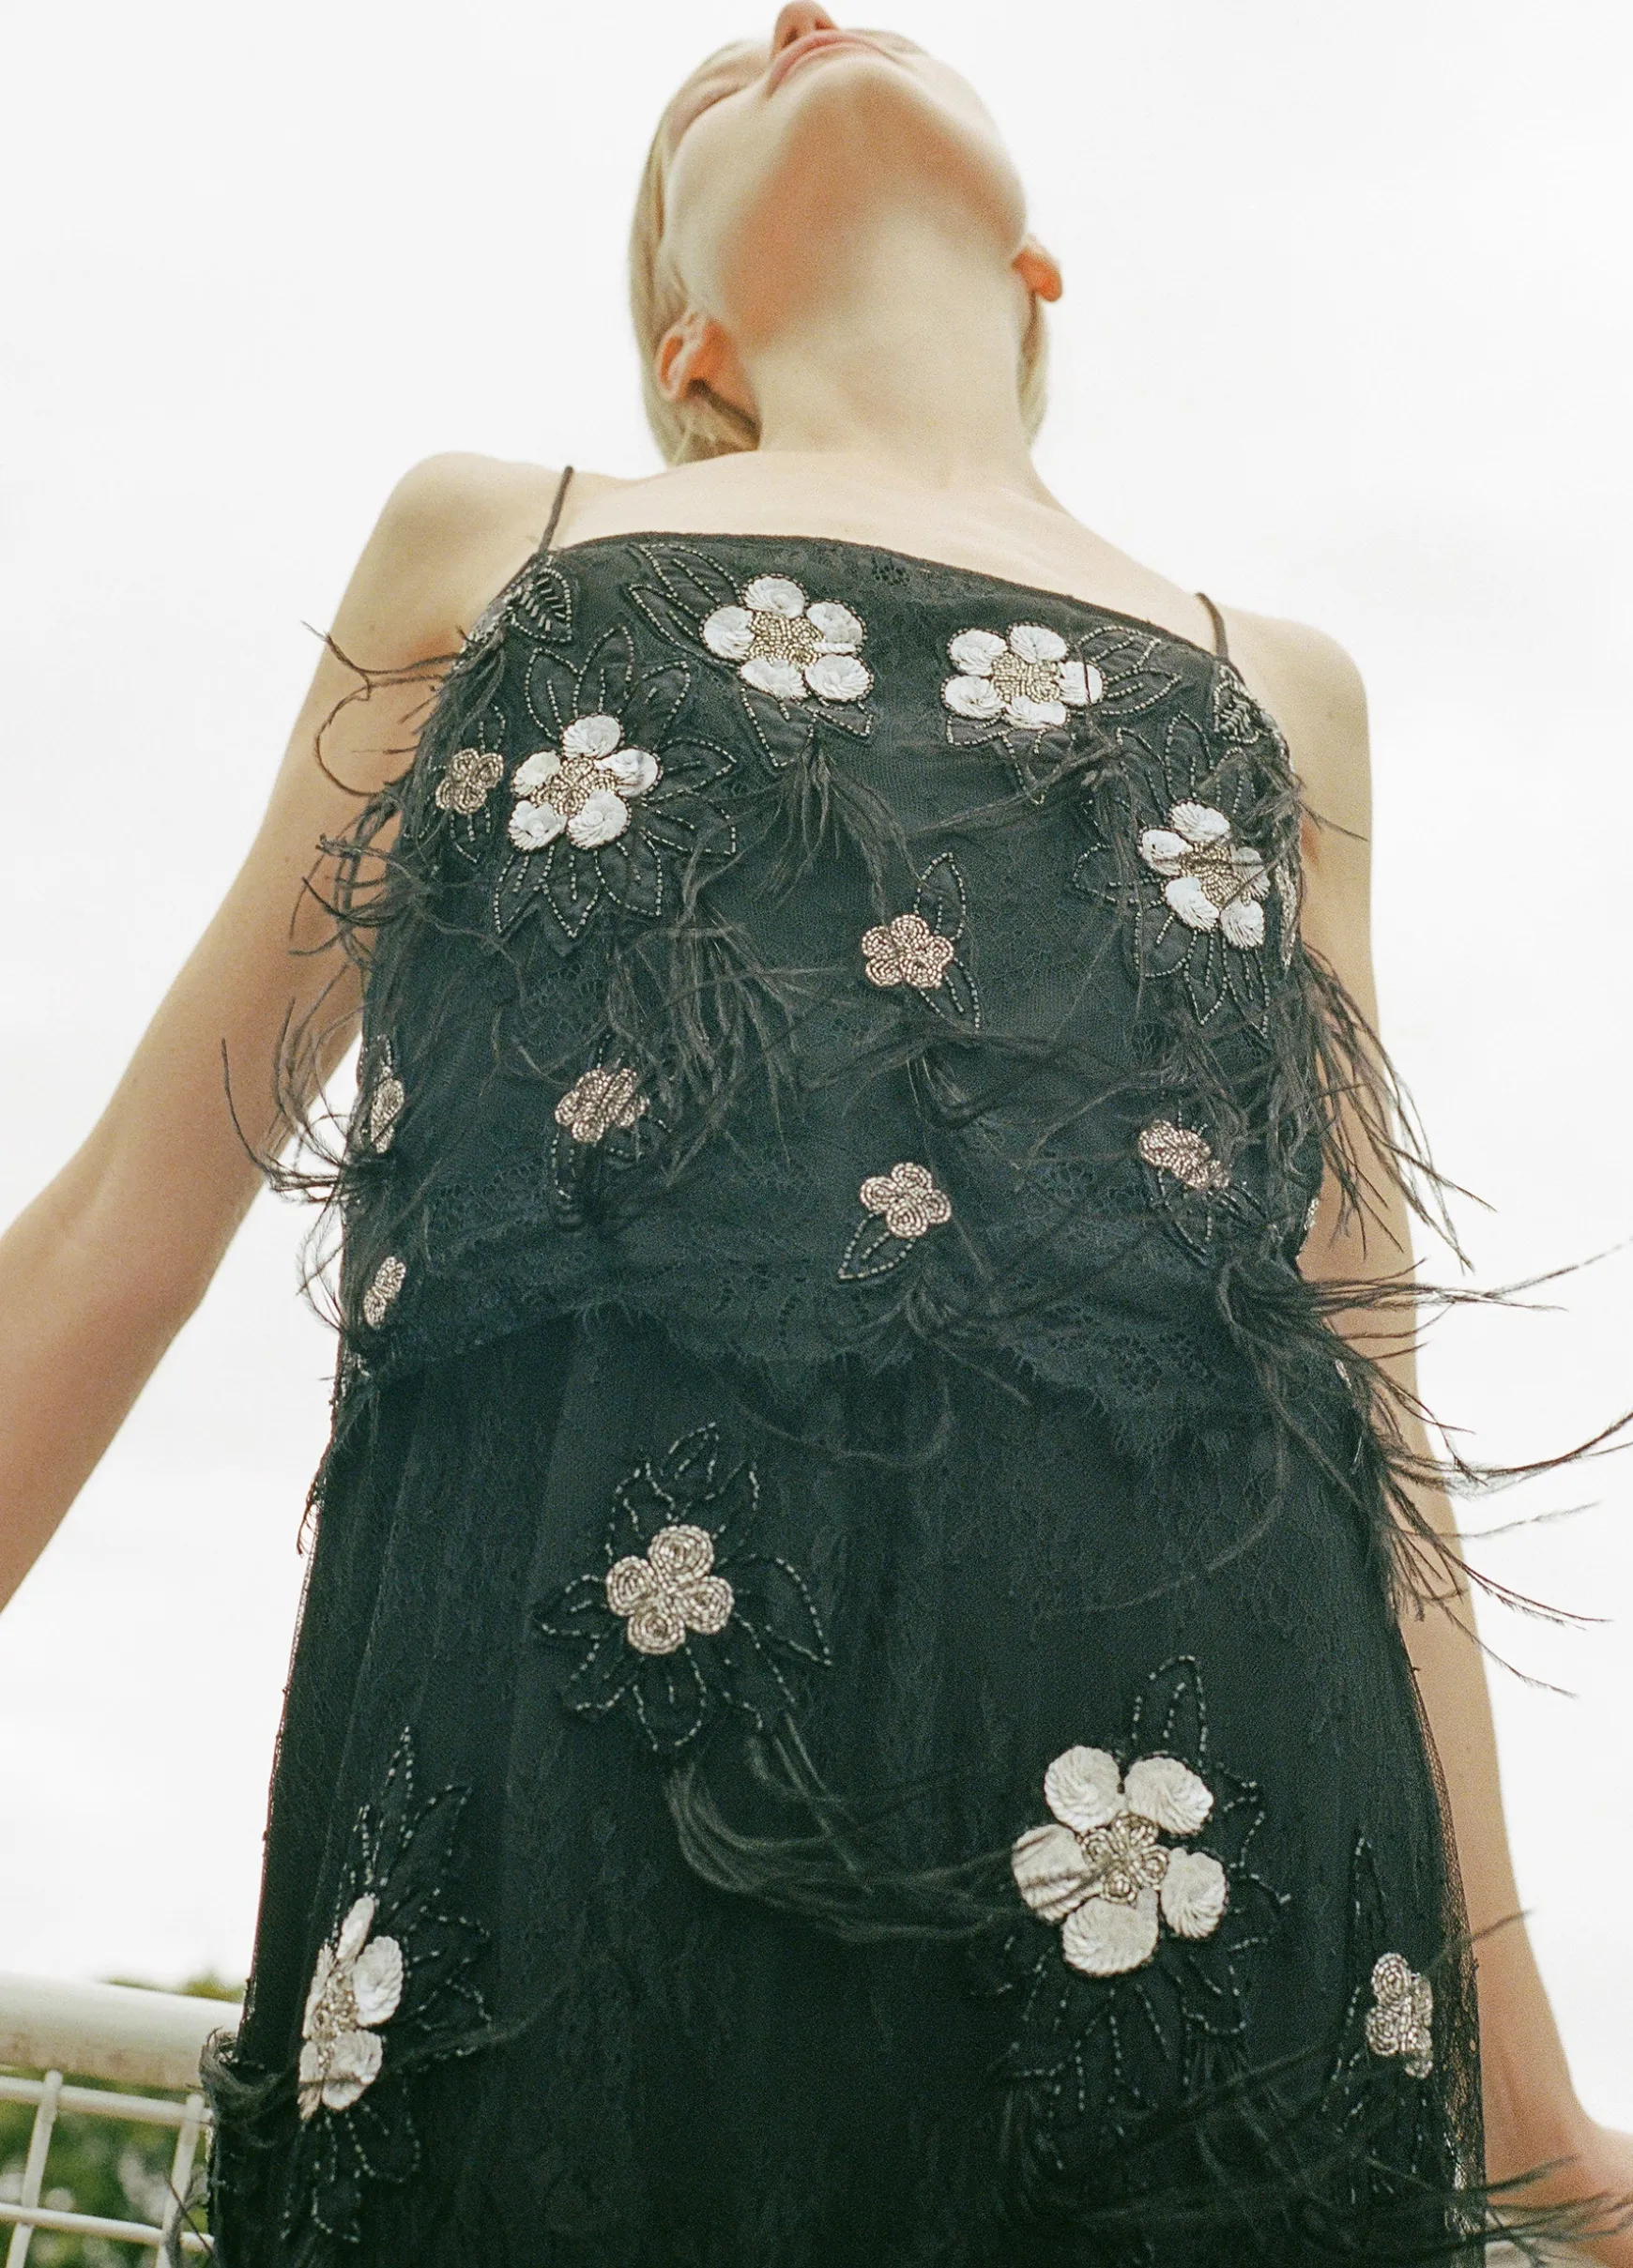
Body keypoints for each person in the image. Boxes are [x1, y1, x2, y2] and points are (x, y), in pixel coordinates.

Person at [0, 8, 1625, 2261]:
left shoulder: (1283, 686)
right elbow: (121, 1221)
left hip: (1207, 1848)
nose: (792, 16)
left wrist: (1535, 2112)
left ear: (1039, 272)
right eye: (705, 101)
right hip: (569, 1818)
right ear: (693, 340)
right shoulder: (502, 536)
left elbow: (1373, 1399)